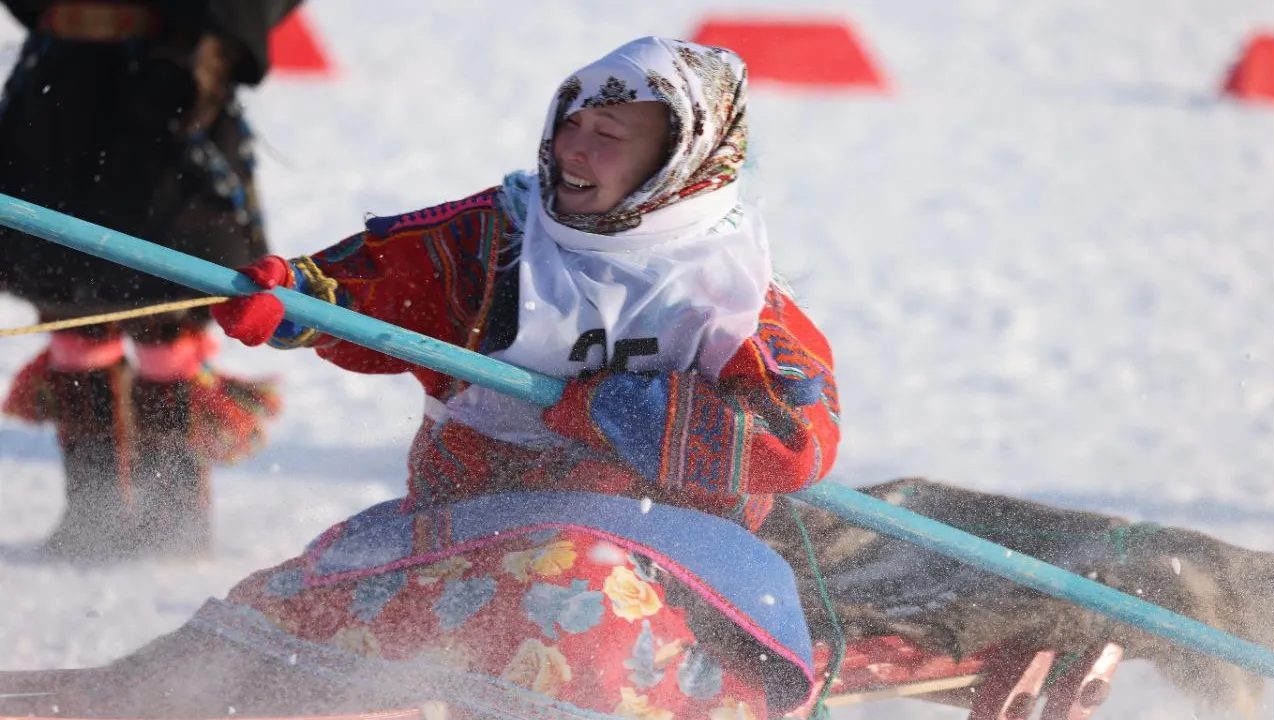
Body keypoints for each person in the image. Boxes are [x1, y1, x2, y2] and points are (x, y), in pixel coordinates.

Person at [0, 37, 844, 720]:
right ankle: (135, 698)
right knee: (279, 621)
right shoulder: (499, 234)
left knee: (567, 587)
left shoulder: (732, 293)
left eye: (609, 139)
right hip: (463, 525)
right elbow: (385, 279)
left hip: (663, 553)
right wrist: (299, 299)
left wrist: (609, 409)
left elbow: (795, 436)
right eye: (569, 127)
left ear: (677, 159)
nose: (573, 154)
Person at [0, 1, 298, 559]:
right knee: (70, 315)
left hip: (168, 89)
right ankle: (93, 519)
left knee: (165, 313)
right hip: (58, 91)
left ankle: (174, 521)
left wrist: (218, 46)